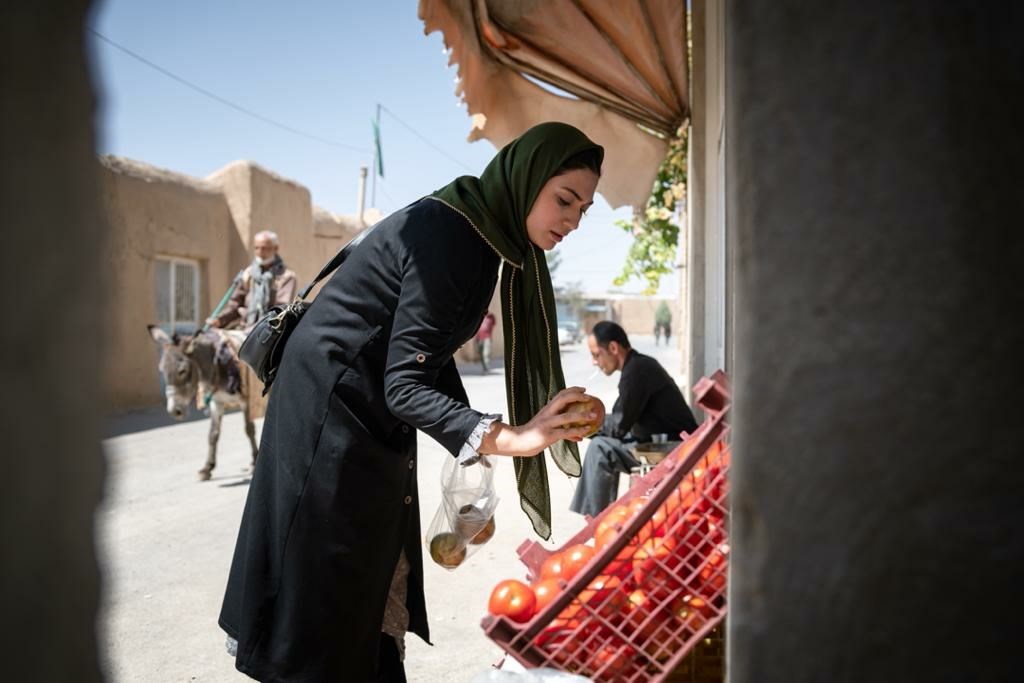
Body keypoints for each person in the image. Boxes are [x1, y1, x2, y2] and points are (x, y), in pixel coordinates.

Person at [219, 122, 604, 682]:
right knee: (327, 579)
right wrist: (509, 437)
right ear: (525, 180)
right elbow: (405, 385)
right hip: (332, 414)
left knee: (373, 567)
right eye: (563, 199)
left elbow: (428, 354)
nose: (571, 220)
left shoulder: (480, 234)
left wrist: (480, 439)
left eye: (583, 209)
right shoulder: (454, 238)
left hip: (362, 409)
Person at [569, 321, 699, 518]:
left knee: (600, 447)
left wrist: (582, 422)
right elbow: (622, 421)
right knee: (603, 444)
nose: (594, 362)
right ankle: (598, 520)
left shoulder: (637, 370)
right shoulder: (638, 366)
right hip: (662, 445)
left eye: (596, 355)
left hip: (674, 449)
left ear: (613, 348)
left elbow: (619, 426)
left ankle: (597, 522)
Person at [207, 230, 297, 331]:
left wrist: (259, 327)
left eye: (264, 248)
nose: (260, 252)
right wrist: (220, 320)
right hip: (243, 327)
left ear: (275, 249)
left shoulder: (286, 276)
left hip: (267, 330)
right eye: (257, 248)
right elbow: (235, 305)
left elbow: (280, 310)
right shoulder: (248, 274)